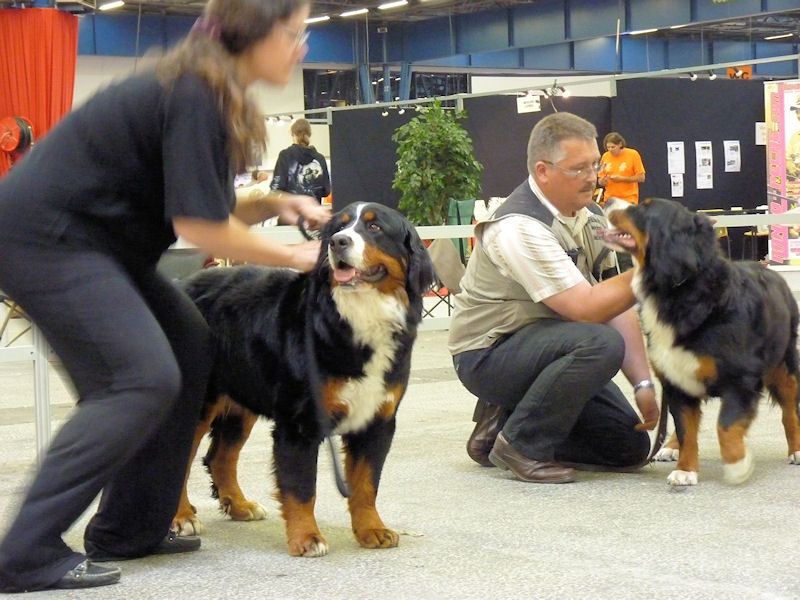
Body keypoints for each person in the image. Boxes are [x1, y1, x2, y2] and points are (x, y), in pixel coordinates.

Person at [0, 0, 329, 593]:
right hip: (48, 240)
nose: (302, 46)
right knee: (137, 379)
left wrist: (275, 205)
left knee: (188, 345)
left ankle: (131, 528)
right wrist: (298, 255)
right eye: (293, 33)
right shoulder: (196, 93)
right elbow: (202, 230)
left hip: (98, 247)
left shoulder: (209, 91)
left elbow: (208, 205)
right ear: (254, 34)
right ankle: (23, 553)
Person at [448, 112, 659, 484]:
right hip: (488, 354)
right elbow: (587, 309)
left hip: (554, 348)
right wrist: (657, 264)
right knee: (599, 342)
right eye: (579, 168)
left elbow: (616, 303)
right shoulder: (519, 226)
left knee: (628, 448)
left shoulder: (592, 217)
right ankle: (520, 446)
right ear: (543, 171)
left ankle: (503, 427)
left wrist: (643, 383)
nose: (593, 177)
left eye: (595, 165)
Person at [597, 131, 646, 271]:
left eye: (613, 147)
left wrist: (622, 179)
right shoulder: (605, 157)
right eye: (608, 147)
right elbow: (600, 180)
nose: (610, 150)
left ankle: (629, 269)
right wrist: (603, 181)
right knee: (613, 237)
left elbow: (641, 177)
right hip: (609, 201)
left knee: (625, 236)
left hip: (628, 201)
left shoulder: (633, 155)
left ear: (620, 145)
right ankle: (614, 268)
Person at [270, 117, 331, 203]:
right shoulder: (320, 159)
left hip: (291, 212)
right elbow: (326, 191)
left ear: (293, 135)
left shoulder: (285, 156)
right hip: (314, 212)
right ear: (309, 135)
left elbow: (277, 186)